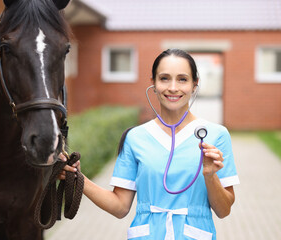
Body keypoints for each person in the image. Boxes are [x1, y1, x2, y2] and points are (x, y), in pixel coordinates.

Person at [59, 48, 240, 240]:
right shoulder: (136, 137)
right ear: (153, 83)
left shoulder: (217, 135)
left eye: (182, 79)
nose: (172, 87)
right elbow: (120, 207)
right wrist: (79, 179)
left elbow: (223, 211)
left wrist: (210, 175)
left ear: (195, 84)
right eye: (164, 78)